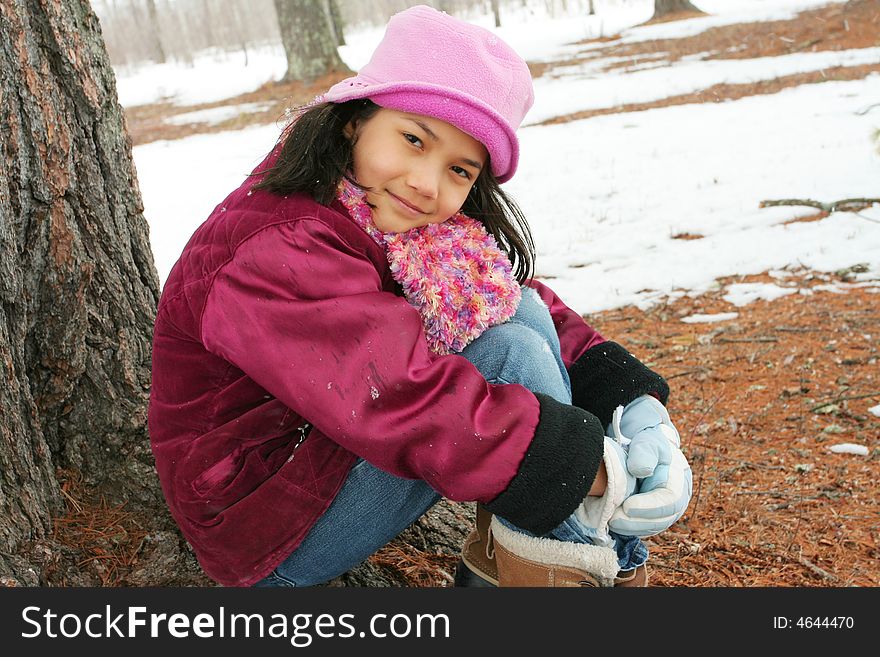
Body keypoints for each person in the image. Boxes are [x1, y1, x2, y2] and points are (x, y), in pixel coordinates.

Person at [148, 5, 692, 588]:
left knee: (519, 319)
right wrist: (585, 468)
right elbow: (398, 399)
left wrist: (631, 407)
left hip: (318, 456)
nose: (426, 183)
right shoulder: (279, 246)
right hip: (259, 518)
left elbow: (510, 300)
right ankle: (565, 564)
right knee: (512, 357)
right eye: (413, 139)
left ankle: (540, 555)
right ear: (356, 119)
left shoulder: (385, 213)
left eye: (459, 170)